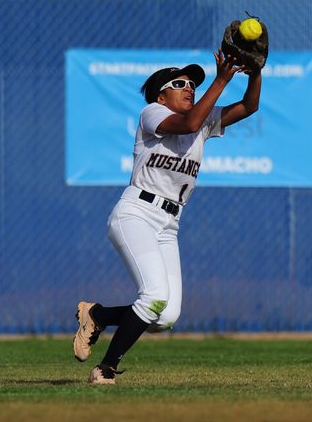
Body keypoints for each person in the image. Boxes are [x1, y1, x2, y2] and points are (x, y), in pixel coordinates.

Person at [73, 49, 262, 384]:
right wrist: (221, 79)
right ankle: (106, 369)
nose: (189, 87)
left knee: (166, 316)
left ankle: (97, 315)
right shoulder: (152, 113)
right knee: (155, 297)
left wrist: (256, 71)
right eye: (180, 83)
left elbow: (249, 107)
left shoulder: (200, 123)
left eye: (192, 83)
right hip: (136, 214)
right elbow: (189, 122)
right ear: (162, 95)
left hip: (169, 225)